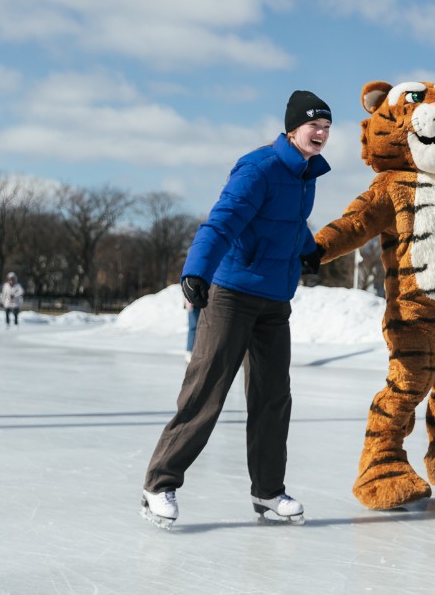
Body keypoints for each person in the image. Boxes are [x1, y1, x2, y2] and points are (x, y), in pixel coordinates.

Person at [140, 90, 333, 530]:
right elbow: (224, 219)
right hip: (232, 293)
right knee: (207, 389)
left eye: (326, 127)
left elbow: (288, 221)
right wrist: (196, 271)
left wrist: (307, 249)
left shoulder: (307, 173)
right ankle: (159, 483)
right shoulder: (259, 167)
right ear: (292, 128)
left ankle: (267, 492)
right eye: (313, 125)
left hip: (275, 299)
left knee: (272, 398)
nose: (321, 133)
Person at [184, 294, 199, 365]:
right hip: (193, 302)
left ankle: (199, 351)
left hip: (203, 301)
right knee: (193, 328)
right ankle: (189, 352)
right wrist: (188, 301)